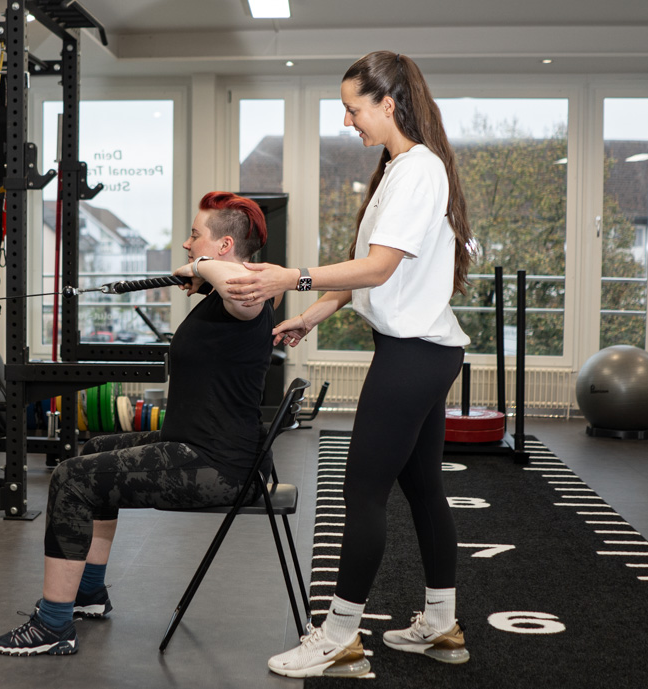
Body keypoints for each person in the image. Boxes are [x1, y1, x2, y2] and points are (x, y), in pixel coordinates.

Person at [224, 51, 474, 678]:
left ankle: (339, 637)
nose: (346, 120)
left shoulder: (419, 171)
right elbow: (368, 268)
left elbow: (380, 268)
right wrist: (314, 313)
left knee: (361, 489)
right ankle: (441, 624)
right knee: (422, 486)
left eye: (352, 108)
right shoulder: (398, 168)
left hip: (415, 353)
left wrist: (291, 277)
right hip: (421, 349)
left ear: (388, 104)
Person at [0, 191, 282, 656]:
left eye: (195, 235)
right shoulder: (227, 297)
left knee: (70, 478)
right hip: (197, 443)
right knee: (92, 451)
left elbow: (237, 285)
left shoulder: (247, 297)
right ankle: (88, 593)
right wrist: (203, 274)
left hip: (218, 465)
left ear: (224, 245)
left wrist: (200, 267)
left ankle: (53, 625)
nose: (187, 244)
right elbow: (233, 281)